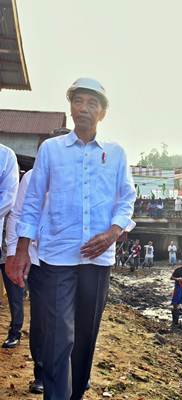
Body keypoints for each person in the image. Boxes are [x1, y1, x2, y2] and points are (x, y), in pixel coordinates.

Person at [8, 78, 136, 399]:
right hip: (56, 258)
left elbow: (126, 199)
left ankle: (75, 393)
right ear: (71, 106)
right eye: (79, 101)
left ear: (102, 113)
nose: (84, 108)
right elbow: (34, 200)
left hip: (98, 261)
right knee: (57, 338)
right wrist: (21, 249)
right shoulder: (51, 150)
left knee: (84, 338)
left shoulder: (116, 154)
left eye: (92, 103)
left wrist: (113, 232)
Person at [5, 168, 45, 393]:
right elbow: (17, 214)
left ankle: (74, 371)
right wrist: (14, 251)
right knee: (40, 319)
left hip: (74, 259)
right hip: (38, 258)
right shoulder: (31, 177)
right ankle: (41, 372)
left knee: (72, 319)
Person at [0, 144, 19, 349]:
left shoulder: (6, 156)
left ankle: (15, 331)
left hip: (8, 245)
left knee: (15, 290)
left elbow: (8, 200)